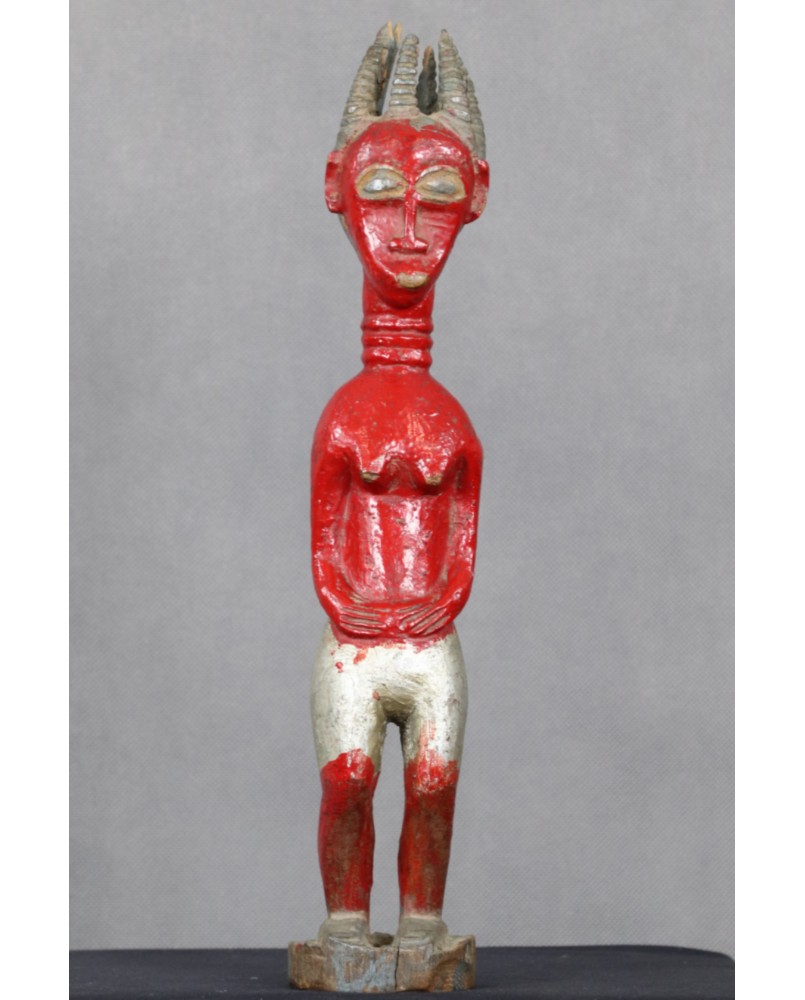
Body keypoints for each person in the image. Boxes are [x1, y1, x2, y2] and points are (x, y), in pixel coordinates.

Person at [310, 24, 489, 947]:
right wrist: (346, 603)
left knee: (434, 783)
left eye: (440, 194)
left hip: (426, 639)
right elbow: (322, 539)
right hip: (356, 640)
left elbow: (463, 538)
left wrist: (438, 604)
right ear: (338, 190)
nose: (410, 228)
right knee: (347, 779)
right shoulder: (344, 417)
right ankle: (346, 926)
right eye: (380, 190)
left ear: (475, 196)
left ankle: (420, 925)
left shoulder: (452, 421)